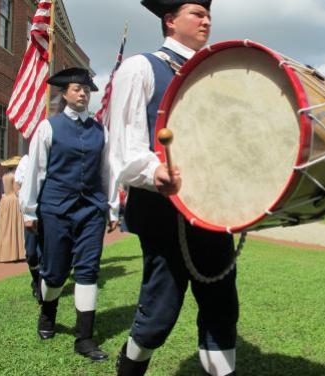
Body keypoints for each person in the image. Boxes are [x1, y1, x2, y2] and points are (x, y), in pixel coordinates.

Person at [108, 1, 238, 375]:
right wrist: (154, 173)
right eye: (197, 13)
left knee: (222, 303)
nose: (206, 20)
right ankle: (129, 367)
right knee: (161, 309)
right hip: (161, 209)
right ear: (170, 21)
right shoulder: (140, 68)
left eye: (209, 14)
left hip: (212, 209)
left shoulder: (214, 76)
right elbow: (124, 147)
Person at [19, 68, 116, 361]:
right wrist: (29, 210)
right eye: (77, 89)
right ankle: (48, 315)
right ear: (64, 93)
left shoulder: (101, 129)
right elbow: (37, 170)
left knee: (88, 271)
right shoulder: (49, 127)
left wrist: (111, 207)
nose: (83, 93)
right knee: (55, 272)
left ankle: (84, 339)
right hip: (56, 208)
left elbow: (107, 171)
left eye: (87, 89)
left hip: (91, 210)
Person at [15, 154, 41, 301]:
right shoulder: (25, 160)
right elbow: (16, 185)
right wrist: (23, 197)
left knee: (43, 252)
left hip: (45, 212)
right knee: (31, 253)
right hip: (30, 215)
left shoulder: (49, 158)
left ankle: (41, 285)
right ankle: (36, 279)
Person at [0, 157, 25, 262]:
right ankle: (14, 253)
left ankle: (3, 254)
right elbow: (17, 190)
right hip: (13, 201)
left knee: (5, 227)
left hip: (4, 201)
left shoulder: (3, 176)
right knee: (14, 226)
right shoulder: (14, 176)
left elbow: (2, 190)